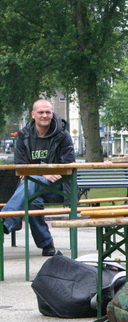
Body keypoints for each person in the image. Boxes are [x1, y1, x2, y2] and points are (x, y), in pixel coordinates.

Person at [1, 99, 75, 256]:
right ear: (33, 114)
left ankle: (6, 221)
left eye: (48, 112)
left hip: (60, 188)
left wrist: (36, 173)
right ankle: (46, 243)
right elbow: (20, 167)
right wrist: (43, 173)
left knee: (30, 181)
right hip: (32, 187)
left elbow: (68, 165)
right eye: (41, 112)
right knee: (33, 199)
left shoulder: (63, 136)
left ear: (52, 113)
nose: (44, 115)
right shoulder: (23, 136)